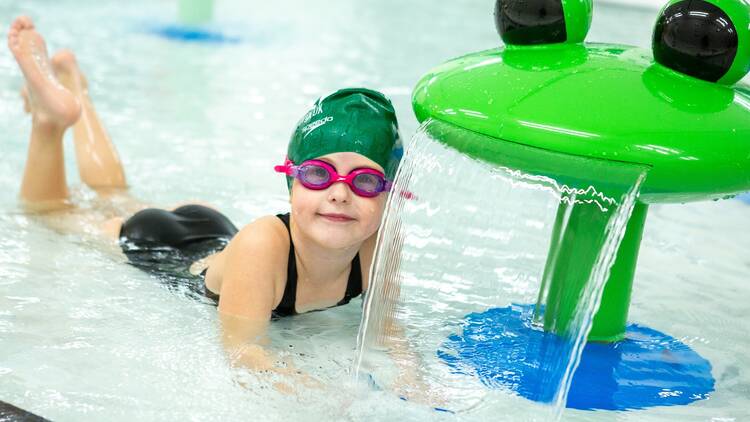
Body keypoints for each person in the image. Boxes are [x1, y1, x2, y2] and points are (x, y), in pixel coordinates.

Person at [7, 16, 419, 391]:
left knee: (115, 196)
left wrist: (416, 385)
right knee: (52, 213)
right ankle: (49, 123)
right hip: (164, 249)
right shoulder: (263, 244)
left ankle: (77, 92)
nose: (340, 193)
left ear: (389, 195)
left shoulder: (380, 245)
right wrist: (318, 396)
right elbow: (244, 355)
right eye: (318, 174)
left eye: (366, 181)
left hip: (214, 235)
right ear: (291, 182)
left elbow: (389, 334)